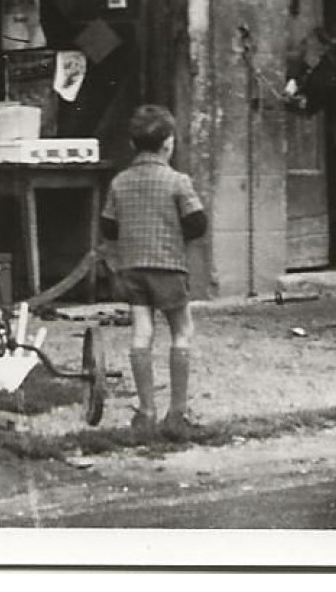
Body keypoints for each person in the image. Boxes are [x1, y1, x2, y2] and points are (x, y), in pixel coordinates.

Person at [99, 104, 209, 437]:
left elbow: (108, 226)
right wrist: (174, 234)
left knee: (141, 332)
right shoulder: (178, 182)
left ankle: (146, 412)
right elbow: (198, 223)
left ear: (133, 144)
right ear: (169, 144)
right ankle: (177, 413)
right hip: (168, 266)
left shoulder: (120, 182)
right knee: (182, 331)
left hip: (132, 268)